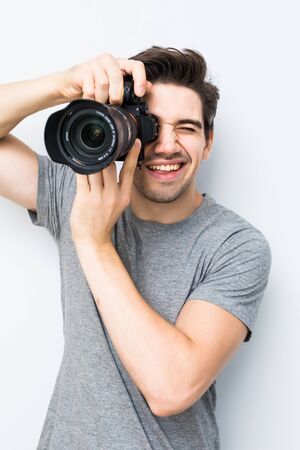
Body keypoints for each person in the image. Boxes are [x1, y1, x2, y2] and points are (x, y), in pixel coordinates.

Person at [0, 46, 272, 450]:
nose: (165, 146)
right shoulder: (81, 192)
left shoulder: (235, 245)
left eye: (186, 128)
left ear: (208, 141)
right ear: (123, 128)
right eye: (150, 125)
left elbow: (171, 388)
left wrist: (93, 242)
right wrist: (61, 85)